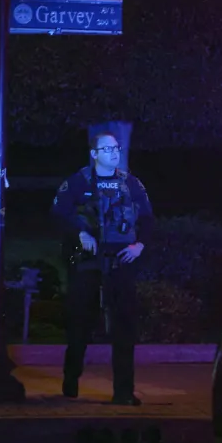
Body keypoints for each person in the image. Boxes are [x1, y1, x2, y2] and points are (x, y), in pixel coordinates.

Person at [51, 132, 155, 406]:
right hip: (87, 261)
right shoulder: (78, 182)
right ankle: (70, 381)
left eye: (115, 148)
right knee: (79, 323)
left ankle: (123, 392)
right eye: (106, 149)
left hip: (121, 260)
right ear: (94, 154)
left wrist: (139, 246)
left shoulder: (131, 183)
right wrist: (80, 235)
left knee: (124, 327)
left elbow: (147, 219)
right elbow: (59, 214)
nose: (113, 152)